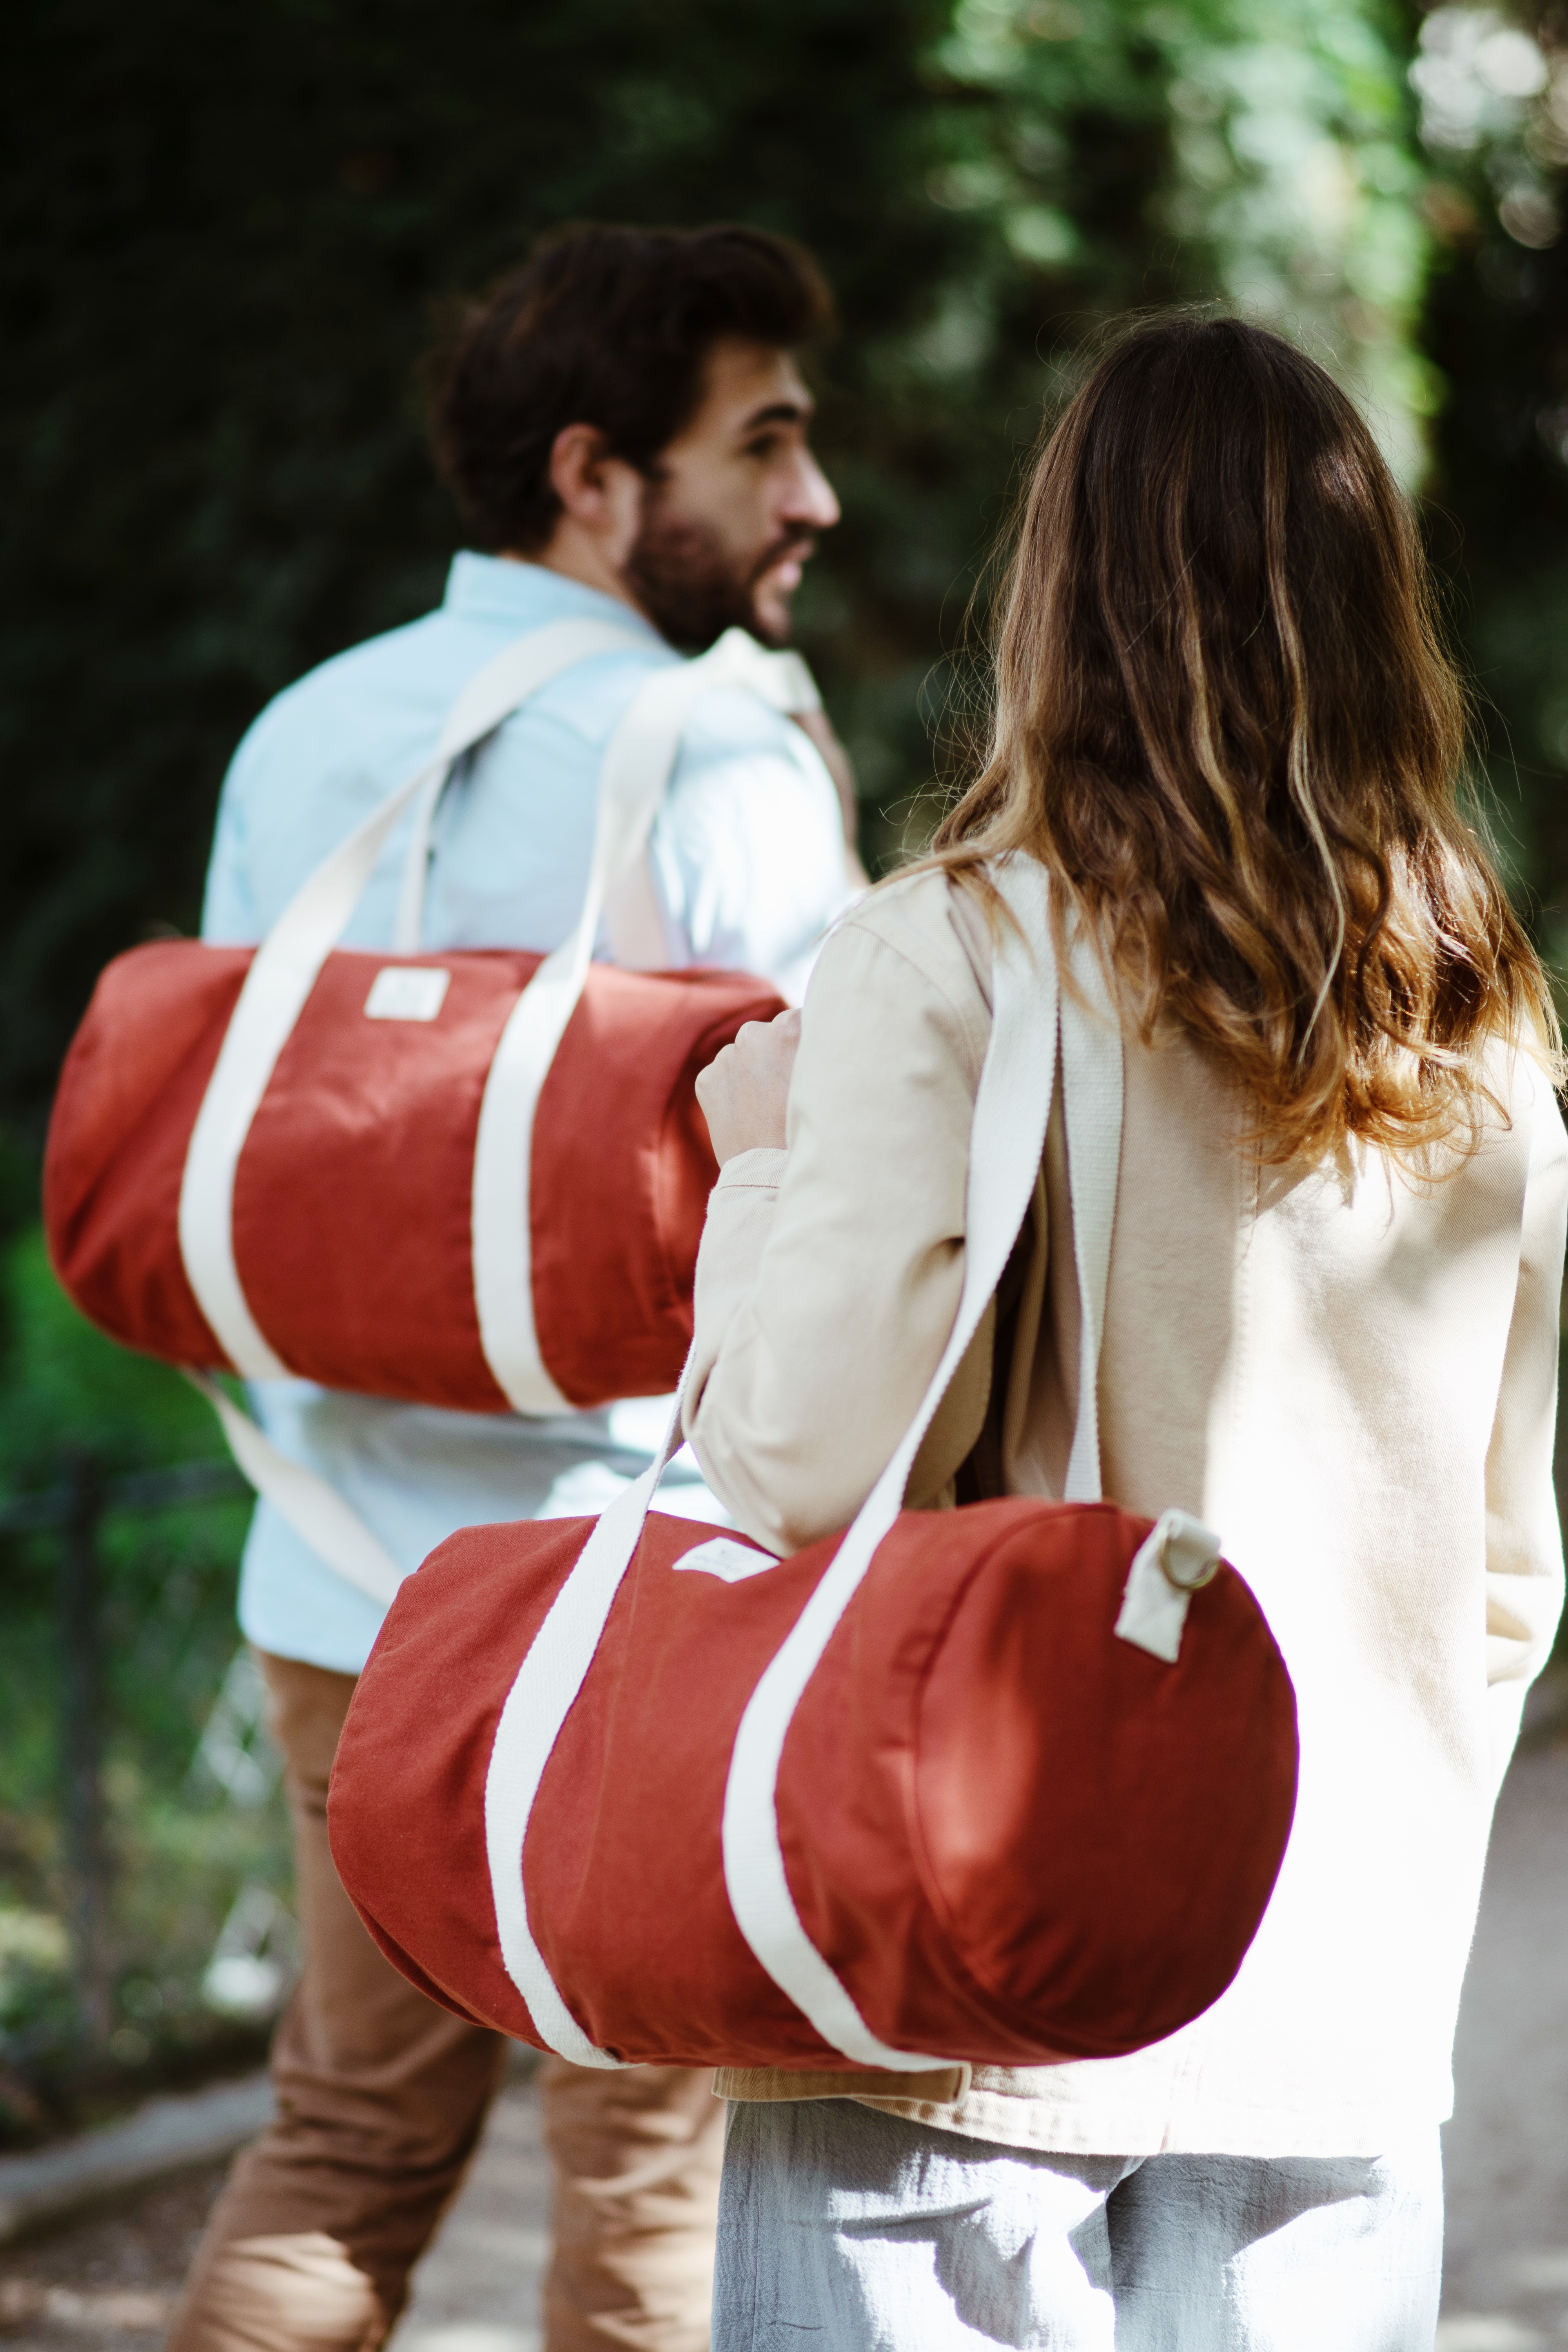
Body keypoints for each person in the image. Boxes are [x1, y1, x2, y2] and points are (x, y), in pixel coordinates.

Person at [684, 316, 1568, 2350]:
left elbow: (809, 1465)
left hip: (970, 1956)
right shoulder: (1475, 1017)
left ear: (1060, 595)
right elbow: (1509, 1571)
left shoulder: (949, 954)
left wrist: (756, 1171)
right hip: (1335, 1968)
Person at [167, 223, 859, 2352]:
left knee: (345, 2147)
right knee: (651, 2183)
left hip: (339, 1582)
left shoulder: (303, 733)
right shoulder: (724, 759)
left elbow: (251, 1148)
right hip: (631, 1598)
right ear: (593, 473)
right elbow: (837, 1201)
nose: (816, 499)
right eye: (765, 444)